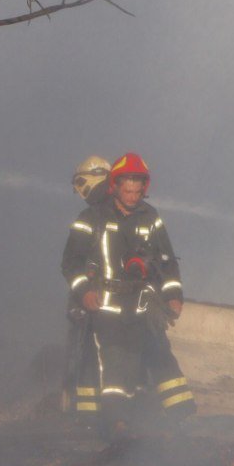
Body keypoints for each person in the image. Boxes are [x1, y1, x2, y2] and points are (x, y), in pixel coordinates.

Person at [61, 152, 195, 436]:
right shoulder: (91, 218)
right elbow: (70, 263)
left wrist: (173, 296)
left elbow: (168, 262)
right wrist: (84, 291)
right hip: (107, 308)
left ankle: (181, 419)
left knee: (161, 360)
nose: (133, 196)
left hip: (144, 306)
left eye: (138, 190)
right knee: (115, 366)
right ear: (116, 186)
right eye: (128, 190)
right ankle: (115, 425)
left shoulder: (151, 218)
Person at [62, 155, 111, 415]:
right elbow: (73, 264)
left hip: (103, 302)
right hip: (97, 300)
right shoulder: (102, 215)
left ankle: (94, 416)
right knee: (91, 357)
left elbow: (70, 262)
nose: (78, 191)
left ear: (96, 177)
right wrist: (82, 293)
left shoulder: (94, 216)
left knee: (93, 358)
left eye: (81, 183)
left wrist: (81, 294)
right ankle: (94, 416)